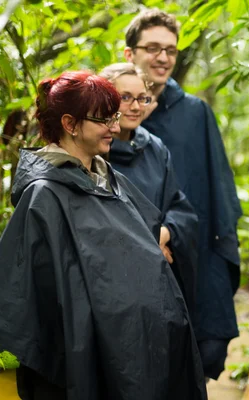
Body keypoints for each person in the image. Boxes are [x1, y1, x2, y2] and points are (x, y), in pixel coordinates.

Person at [0, 71, 207, 400]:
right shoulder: (45, 195)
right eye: (104, 120)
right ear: (70, 123)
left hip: (143, 349)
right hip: (92, 358)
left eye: (115, 117)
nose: (116, 128)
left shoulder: (110, 180)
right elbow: (30, 298)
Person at [124, 9, 242, 380]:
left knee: (204, 351)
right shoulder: (111, 112)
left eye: (171, 51)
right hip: (131, 258)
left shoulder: (195, 112)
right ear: (130, 54)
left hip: (194, 249)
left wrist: (221, 257)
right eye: (153, 48)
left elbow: (218, 190)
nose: (163, 58)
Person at [99, 62, 198, 315]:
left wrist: (162, 235)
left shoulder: (155, 147)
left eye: (141, 99)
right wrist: (148, 244)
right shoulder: (93, 150)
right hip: (109, 284)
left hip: (157, 283)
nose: (134, 107)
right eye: (125, 98)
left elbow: (179, 207)